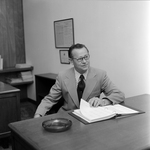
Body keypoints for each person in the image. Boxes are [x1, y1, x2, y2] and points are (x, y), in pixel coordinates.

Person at [34, 43, 125, 118]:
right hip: (67, 116)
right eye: (80, 59)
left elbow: (119, 94)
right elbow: (50, 99)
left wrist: (103, 101)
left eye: (86, 57)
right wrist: (38, 114)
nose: (85, 61)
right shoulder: (62, 76)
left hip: (91, 117)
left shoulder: (100, 74)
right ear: (71, 60)